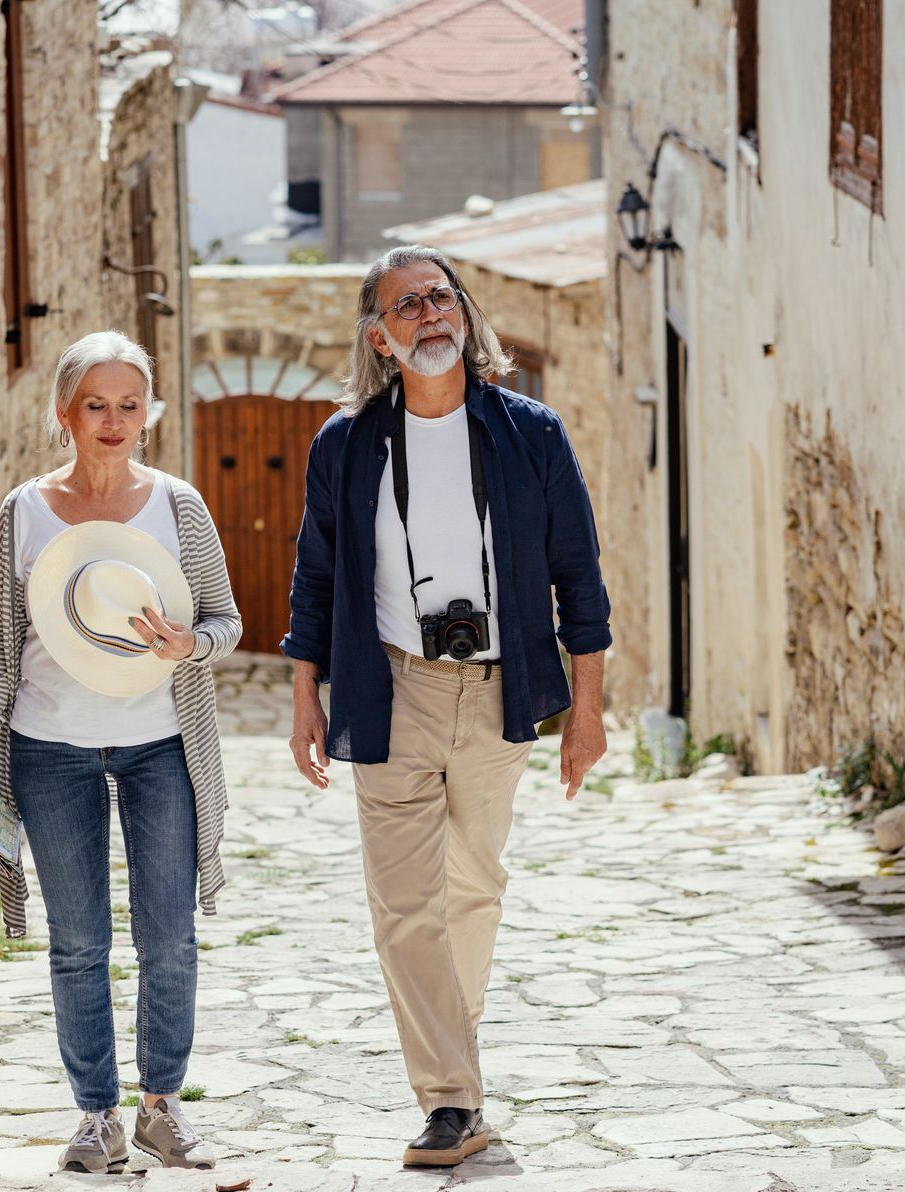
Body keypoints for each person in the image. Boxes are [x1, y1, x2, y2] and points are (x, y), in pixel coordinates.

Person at [281, 246, 612, 1167]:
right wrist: (306, 698)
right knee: (403, 903)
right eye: (408, 305)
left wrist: (586, 713)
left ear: (463, 316)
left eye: (442, 297)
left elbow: (578, 580)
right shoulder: (345, 445)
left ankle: (451, 1063)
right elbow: (314, 579)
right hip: (393, 687)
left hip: (501, 688)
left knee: (473, 886)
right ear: (381, 338)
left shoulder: (530, 433)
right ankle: (451, 1099)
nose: (431, 314)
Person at [0, 330, 240, 1174]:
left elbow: (226, 625)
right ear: (64, 414)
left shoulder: (179, 506)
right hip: (49, 749)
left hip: (161, 747)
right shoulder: (26, 511)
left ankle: (160, 1106)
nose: (113, 422)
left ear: (146, 414)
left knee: (169, 936)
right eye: (95, 406)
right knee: (77, 942)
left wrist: (187, 645)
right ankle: (95, 1118)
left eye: (128, 405)